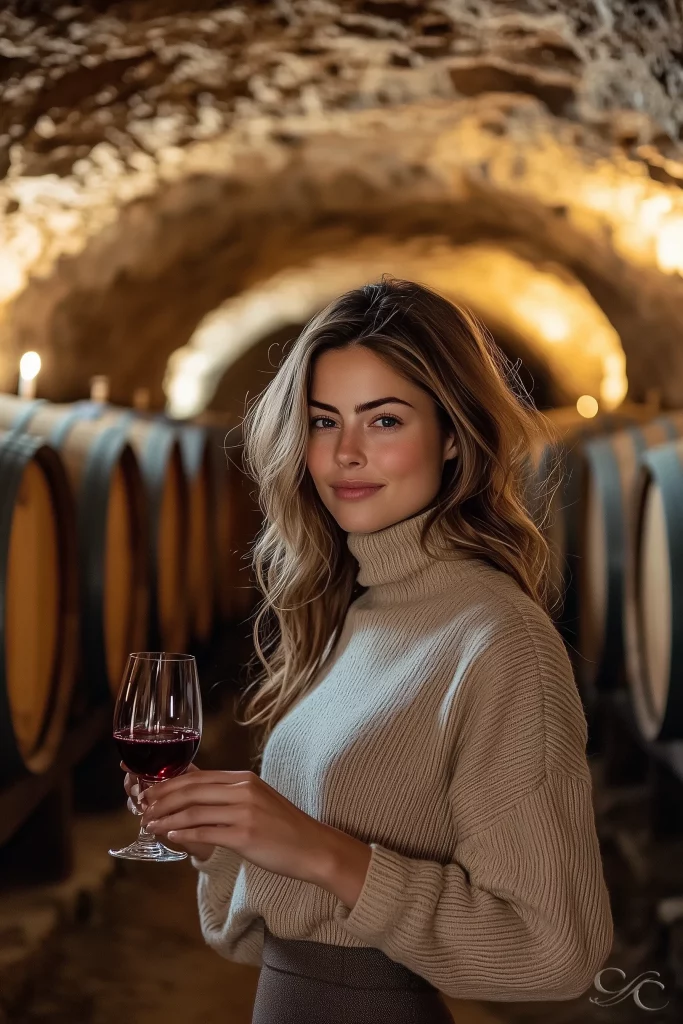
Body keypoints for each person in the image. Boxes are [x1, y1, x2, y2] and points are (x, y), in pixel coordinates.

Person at [123, 275, 613, 1023]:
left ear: (452, 436)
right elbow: (295, 926)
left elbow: (555, 951)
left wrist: (317, 850)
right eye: (323, 421)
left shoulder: (497, 640)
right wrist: (218, 835)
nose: (344, 453)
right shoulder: (353, 609)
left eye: (383, 422)